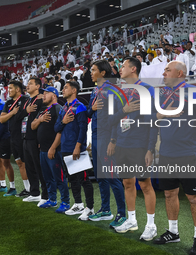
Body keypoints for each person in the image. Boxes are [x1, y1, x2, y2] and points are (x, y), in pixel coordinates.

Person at [153, 61, 196, 255]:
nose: (164, 73)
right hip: (166, 153)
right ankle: (173, 232)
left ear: (179, 73)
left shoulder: (195, 92)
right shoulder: (162, 94)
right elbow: (154, 117)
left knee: (193, 198)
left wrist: (192, 135)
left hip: (187, 154)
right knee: (169, 194)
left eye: (167, 70)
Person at [110, 57, 158, 241]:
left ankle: (151, 225)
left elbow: (152, 121)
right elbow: (113, 119)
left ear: (133, 69)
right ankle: (131, 220)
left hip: (139, 144)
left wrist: (150, 148)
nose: (120, 70)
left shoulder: (147, 89)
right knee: (127, 183)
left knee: (145, 185)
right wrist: (113, 139)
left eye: (122, 67)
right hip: (122, 144)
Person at [86, 60, 127, 228]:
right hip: (95, 136)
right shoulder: (96, 90)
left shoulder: (112, 91)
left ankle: (122, 214)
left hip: (106, 137)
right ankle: (105, 210)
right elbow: (89, 112)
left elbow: (120, 119)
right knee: (100, 176)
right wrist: (93, 108)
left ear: (103, 73)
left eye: (93, 70)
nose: (90, 72)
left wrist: (113, 140)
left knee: (112, 176)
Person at [54, 81, 94, 220]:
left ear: (74, 90)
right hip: (64, 148)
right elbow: (56, 128)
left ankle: (90, 208)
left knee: (84, 179)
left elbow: (83, 129)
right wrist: (63, 122)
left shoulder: (80, 107)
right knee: (71, 178)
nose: (63, 90)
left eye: (66, 87)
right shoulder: (64, 108)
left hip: (76, 148)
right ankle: (78, 204)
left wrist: (78, 146)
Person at [31, 86, 70, 212]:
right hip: (43, 149)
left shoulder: (58, 108)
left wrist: (53, 148)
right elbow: (32, 126)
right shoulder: (43, 111)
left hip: (54, 149)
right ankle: (52, 199)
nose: (43, 96)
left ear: (54, 95)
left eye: (46, 93)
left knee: (59, 177)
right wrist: (40, 119)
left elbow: (60, 130)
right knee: (48, 177)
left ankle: (65, 202)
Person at [20, 78, 48, 205]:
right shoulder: (27, 101)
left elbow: (43, 120)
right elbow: (19, 116)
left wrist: (39, 139)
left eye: (31, 84)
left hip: (35, 138)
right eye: (27, 83)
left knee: (39, 168)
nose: (27, 85)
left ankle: (46, 196)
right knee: (29, 166)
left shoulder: (41, 99)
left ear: (38, 86)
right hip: (25, 136)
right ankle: (35, 193)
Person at [0, 80, 30, 197]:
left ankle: (33, 189)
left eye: (11, 88)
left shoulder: (26, 100)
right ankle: (27, 188)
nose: (8, 91)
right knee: (19, 162)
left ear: (18, 89)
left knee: (27, 163)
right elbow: (2, 119)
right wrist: (12, 113)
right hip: (13, 136)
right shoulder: (8, 103)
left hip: (24, 135)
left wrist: (10, 115)